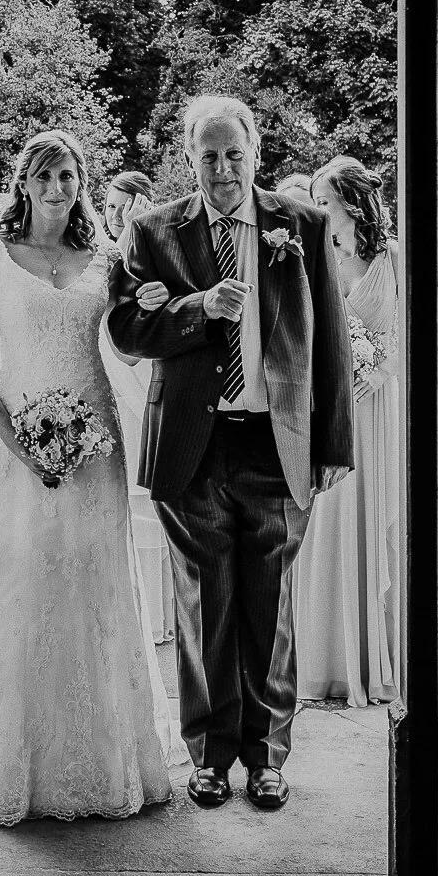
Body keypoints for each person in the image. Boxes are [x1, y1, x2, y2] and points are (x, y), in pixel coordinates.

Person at [0, 130, 186, 826]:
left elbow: (129, 343)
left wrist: (156, 304)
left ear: (80, 181)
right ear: (24, 182)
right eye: (45, 174)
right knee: (21, 582)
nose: (58, 186)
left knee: (95, 583)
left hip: (97, 441)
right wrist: (19, 443)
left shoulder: (107, 257)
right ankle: (13, 759)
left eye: (68, 174)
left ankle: (105, 757)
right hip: (19, 443)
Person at [109, 95, 354, 810]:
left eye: (233, 153)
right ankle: (209, 757)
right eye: (208, 155)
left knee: (270, 607)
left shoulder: (299, 223)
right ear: (188, 156)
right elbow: (126, 328)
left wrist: (333, 440)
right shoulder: (152, 232)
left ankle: (267, 757)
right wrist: (194, 310)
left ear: (256, 152)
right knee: (201, 608)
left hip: (278, 444)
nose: (222, 169)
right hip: (193, 445)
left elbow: (331, 338)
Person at [294, 155, 404, 708]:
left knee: (377, 519)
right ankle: (328, 661)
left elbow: (416, 331)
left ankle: (375, 657)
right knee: (332, 522)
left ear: (352, 204)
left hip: (380, 408)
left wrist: (379, 368)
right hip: (335, 408)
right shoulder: (319, 260)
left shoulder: (393, 258)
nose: (318, 211)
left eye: (325, 201)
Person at [97, 170, 173, 643]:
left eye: (120, 207)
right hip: (106, 374)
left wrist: (137, 241)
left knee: (145, 492)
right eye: (105, 205)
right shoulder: (99, 256)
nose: (111, 215)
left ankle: (154, 611)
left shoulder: (156, 249)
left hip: (141, 376)